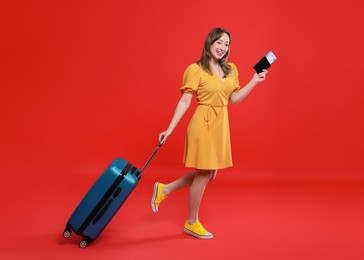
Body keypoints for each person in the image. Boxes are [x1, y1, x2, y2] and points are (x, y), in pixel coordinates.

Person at [151, 27, 268, 239]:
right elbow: (185, 101)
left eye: (227, 44)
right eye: (219, 42)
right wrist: (169, 129)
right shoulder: (196, 69)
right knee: (204, 174)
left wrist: (254, 81)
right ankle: (191, 222)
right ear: (209, 43)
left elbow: (233, 100)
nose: (223, 47)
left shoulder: (231, 69)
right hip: (202, 124)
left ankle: (164, 190)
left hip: (220, 124)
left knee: (210, 174)